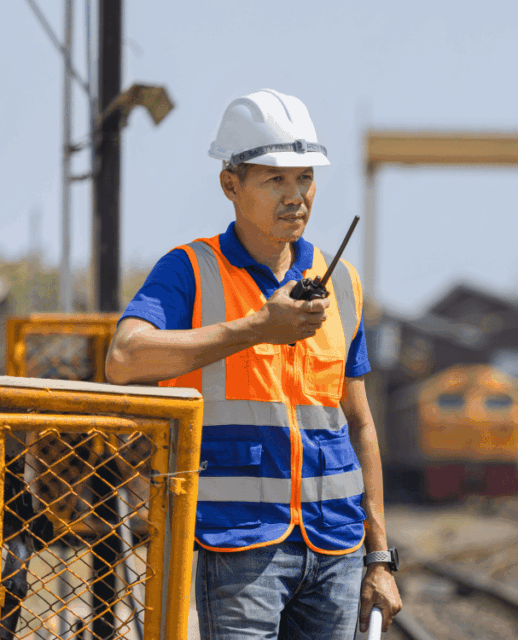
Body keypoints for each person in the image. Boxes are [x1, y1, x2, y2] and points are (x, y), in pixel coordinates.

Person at [105, 88, 402, 639]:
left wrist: (379, 556)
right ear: (230, 184)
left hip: (337, 546)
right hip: (239, 546)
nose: (296, 196)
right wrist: (255, 329)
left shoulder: (342, 283)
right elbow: (124, 359)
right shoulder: (191, 269)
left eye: (305, 178)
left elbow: (360, 424)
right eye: (275, 180)